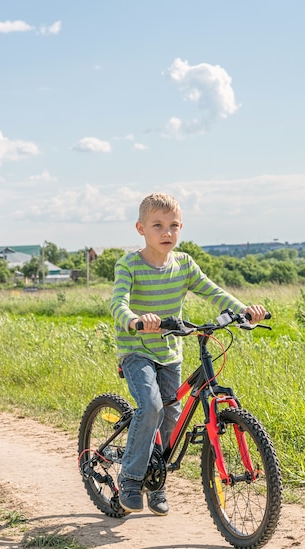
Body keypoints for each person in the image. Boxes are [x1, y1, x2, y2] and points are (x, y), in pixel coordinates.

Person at [110, 192, 267, 516]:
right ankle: (130, 478)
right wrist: (136, 321)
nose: (167, 233)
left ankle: (157, 483)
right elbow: (118, 304)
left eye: (174, 226)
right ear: (141, 228)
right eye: (158, 225)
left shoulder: (184, 264)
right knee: (151, 407)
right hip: (137, 350)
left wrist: (245, 310)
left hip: (170, 352)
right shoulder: (130, 264)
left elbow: (212, 291)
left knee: (172, 415)